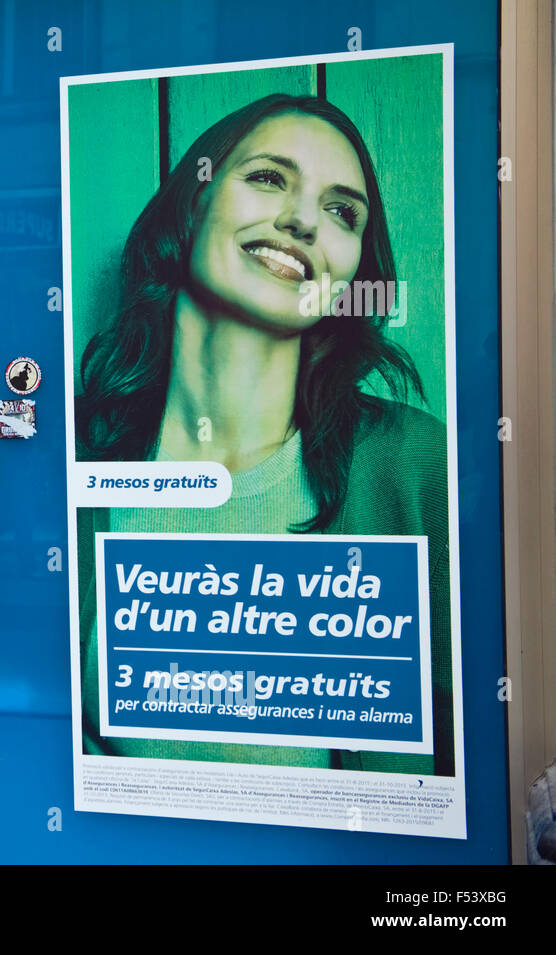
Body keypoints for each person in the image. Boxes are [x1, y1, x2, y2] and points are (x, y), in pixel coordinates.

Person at [75, 94, 452, 775]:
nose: (303, 220)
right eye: (270, 177)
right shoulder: (70, 458)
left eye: (343, 212)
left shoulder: (415, 463)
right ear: (193, 203)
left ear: (352, 273)